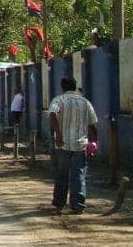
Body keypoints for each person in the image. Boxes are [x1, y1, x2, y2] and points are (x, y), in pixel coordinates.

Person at [48, 77, 98, 215]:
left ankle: (59, 203)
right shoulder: (84, 102)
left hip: (62, 144)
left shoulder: (58, 100)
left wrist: (58, 134)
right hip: (79, 144)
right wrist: (95, 140)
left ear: (62, 87)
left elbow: (52, 114)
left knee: (61, 175)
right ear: (75, 87)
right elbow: (92, 123)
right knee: (78, 175)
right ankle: (78, 205)